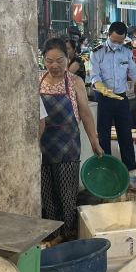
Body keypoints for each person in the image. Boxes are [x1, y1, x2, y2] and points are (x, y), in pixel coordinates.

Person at [40, 38, 104, 243]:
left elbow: (85, 114)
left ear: (68, 59)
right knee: (47, 197)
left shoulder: (74, 82)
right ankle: (52, 238)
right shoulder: (38, 82)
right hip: (42, 147)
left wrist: (94, 141)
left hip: (68, 146)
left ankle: (69, 238)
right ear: (43, 60)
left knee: (67, 197)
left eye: (59, 60)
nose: (54, 65)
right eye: (49, 61)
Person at [89, 21, 136, 170]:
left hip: (121, 98)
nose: (117, 44)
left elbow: (134, 72)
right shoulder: (96, 52)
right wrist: (102, 89)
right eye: (114, 40)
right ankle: (106, 170)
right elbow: (94, 76)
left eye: (120, 41)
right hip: (103, 99)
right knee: (104, 137)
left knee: (126, 135)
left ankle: (130, 172)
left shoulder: (126, 52)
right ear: (107, 35)